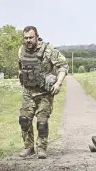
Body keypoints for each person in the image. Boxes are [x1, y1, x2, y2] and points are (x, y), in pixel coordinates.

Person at [18, 26, 68, 159]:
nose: (28, 40)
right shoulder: (22, 50)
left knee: (42, 123)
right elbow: (21, 66)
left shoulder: (48, 50)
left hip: (45, 93)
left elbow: (63, 66)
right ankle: (29, 147)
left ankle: (41, 148)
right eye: (26, 38)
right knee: (24, 120)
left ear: (37, 37)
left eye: (31, 38)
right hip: (28, 92)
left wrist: (58, 83)